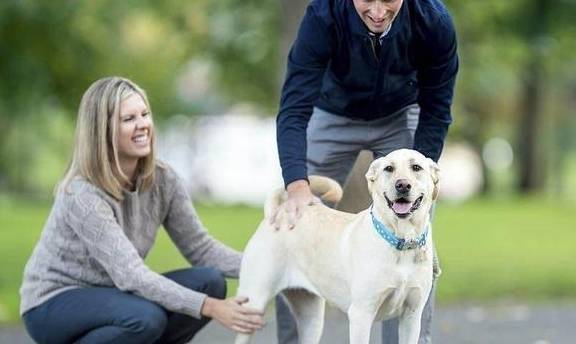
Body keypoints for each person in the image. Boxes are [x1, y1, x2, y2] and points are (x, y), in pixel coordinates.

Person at [20, 76, 265, 344]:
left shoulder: (164, 179)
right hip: (53, 303)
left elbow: (201, 249)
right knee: (144, 318)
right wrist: (211, 307)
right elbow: (132, 275)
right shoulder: (82, 194)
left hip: (114, 295)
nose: (143, 125)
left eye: (145, 114)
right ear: (102, 130)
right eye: (128, 119)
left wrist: (269, 266)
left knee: (210, 282)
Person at [274, 0, 458, 343]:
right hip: (332, 113)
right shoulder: (322, 16)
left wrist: (423, 178)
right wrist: (297, 183)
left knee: (418, 233)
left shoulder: (433, 21)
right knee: (294, 227)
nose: (377, 10)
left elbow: (437, 108)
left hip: (401, 113)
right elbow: (294, 108)